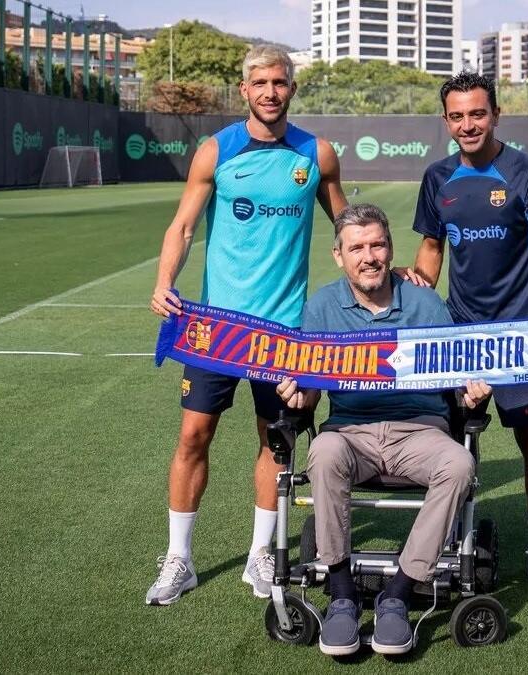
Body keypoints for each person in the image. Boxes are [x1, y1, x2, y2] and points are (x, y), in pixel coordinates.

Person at [145, 45, 348, 606]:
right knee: (193, 436)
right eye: (259, 83)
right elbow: (183, 227)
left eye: (279, 82)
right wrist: (165, 280)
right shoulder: (216, 152)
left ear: (291, 88)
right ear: (244, 90)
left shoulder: (317, 154)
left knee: (274, 442)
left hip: (284, 331)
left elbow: (345, 225)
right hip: (217, 327)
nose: (269, 92)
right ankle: (180, 559)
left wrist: (383, 267)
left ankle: (261, 553)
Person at [276, 203, 491, 656]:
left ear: (391, 249)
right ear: (339, 256)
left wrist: (471, 395)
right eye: (357, 248)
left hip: (421, 431)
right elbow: (311, 391)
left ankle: (399, 592)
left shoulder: (426, 304)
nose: (368, 256)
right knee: (325, 451)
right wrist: (299, 396)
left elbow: (456, 383)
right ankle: (341, 594)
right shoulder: (321, 307)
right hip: (352, 431)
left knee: (458, 462)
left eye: (377, 244)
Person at [408, 72, 528, 600]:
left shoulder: (525, 171)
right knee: (450, 442)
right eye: (457, 116)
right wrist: (415, 293)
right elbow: (431, 252)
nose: (467, 124)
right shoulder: (437, 177)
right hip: (460, 335)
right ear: (446, 122)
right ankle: (449, 540)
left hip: (521, 336)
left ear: (496, 114)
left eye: (477, 114)